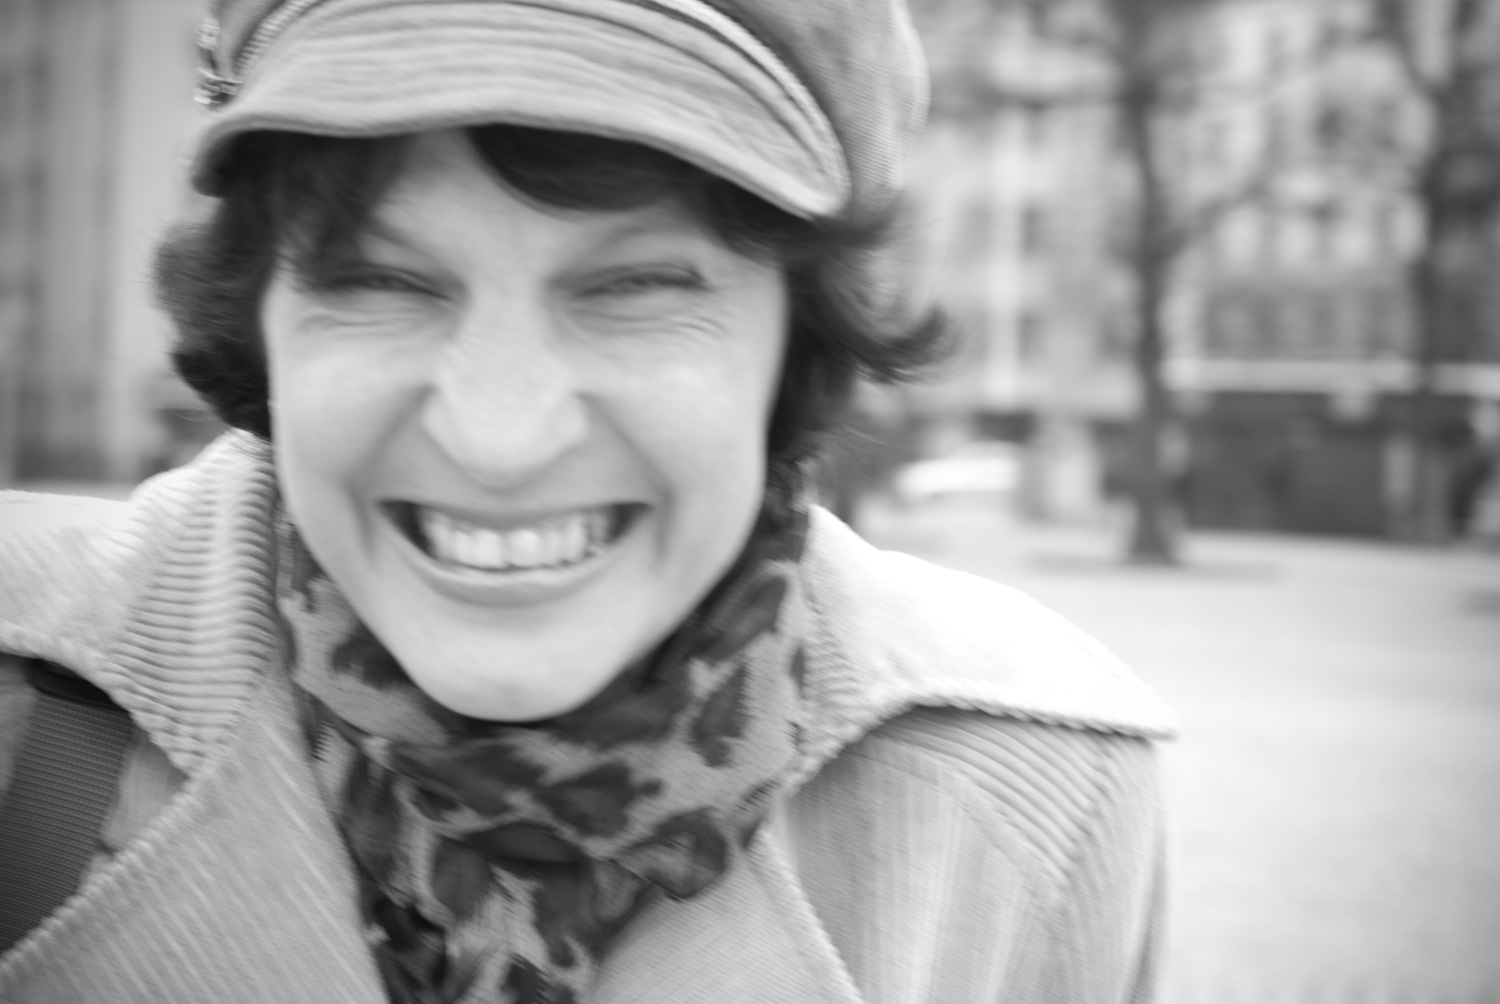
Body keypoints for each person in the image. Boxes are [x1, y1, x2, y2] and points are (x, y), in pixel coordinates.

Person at [0, 1, 1176, 1001]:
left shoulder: (1033, 794)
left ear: (796, 340)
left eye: (635, 285)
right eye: (382, 278)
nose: (499, 438)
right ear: (259, 318)